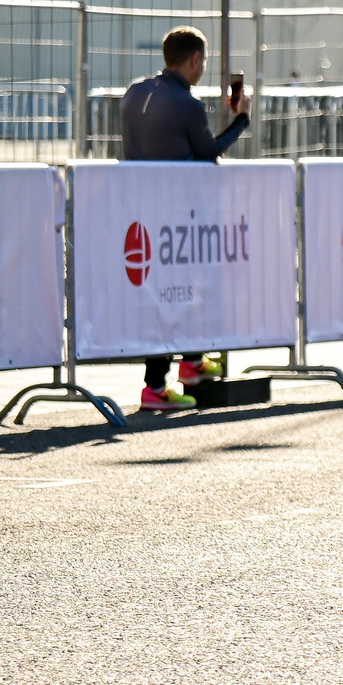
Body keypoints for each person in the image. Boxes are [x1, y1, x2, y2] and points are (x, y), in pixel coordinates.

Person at [119, 25, 251, 412]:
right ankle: (156, 385)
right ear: (195, 60)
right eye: (203, 61)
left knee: (174, 291)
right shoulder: (188, 105)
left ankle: (192, 362)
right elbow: (209, 153)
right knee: (179, 292)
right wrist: (242, 120)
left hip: (141, 213)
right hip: (180, 215)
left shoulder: (135, 92)